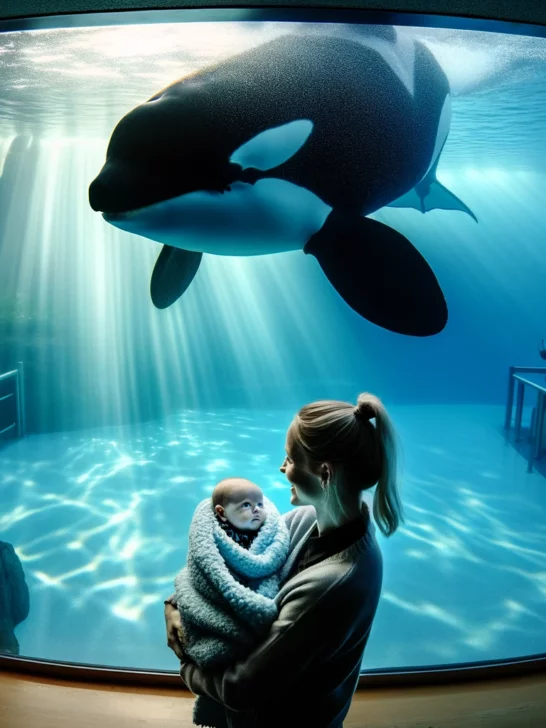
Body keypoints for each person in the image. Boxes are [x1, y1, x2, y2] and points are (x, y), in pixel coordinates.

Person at [164, 392, 403, 728]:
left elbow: (241, 688)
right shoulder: (307, 519)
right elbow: (232, 564)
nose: (282, 467)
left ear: (324, 473)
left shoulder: (335, 583)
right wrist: (176, 602)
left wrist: (186, 661)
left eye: (291, 458)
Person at [172, 477, 291, 727]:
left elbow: (271, 566)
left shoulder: (269, 533)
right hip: (222, 608)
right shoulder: (217, 536)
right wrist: (174, 602)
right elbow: (204, 570)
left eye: (259, 503)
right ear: (221, 514)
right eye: (246, 505)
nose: (257, 509)